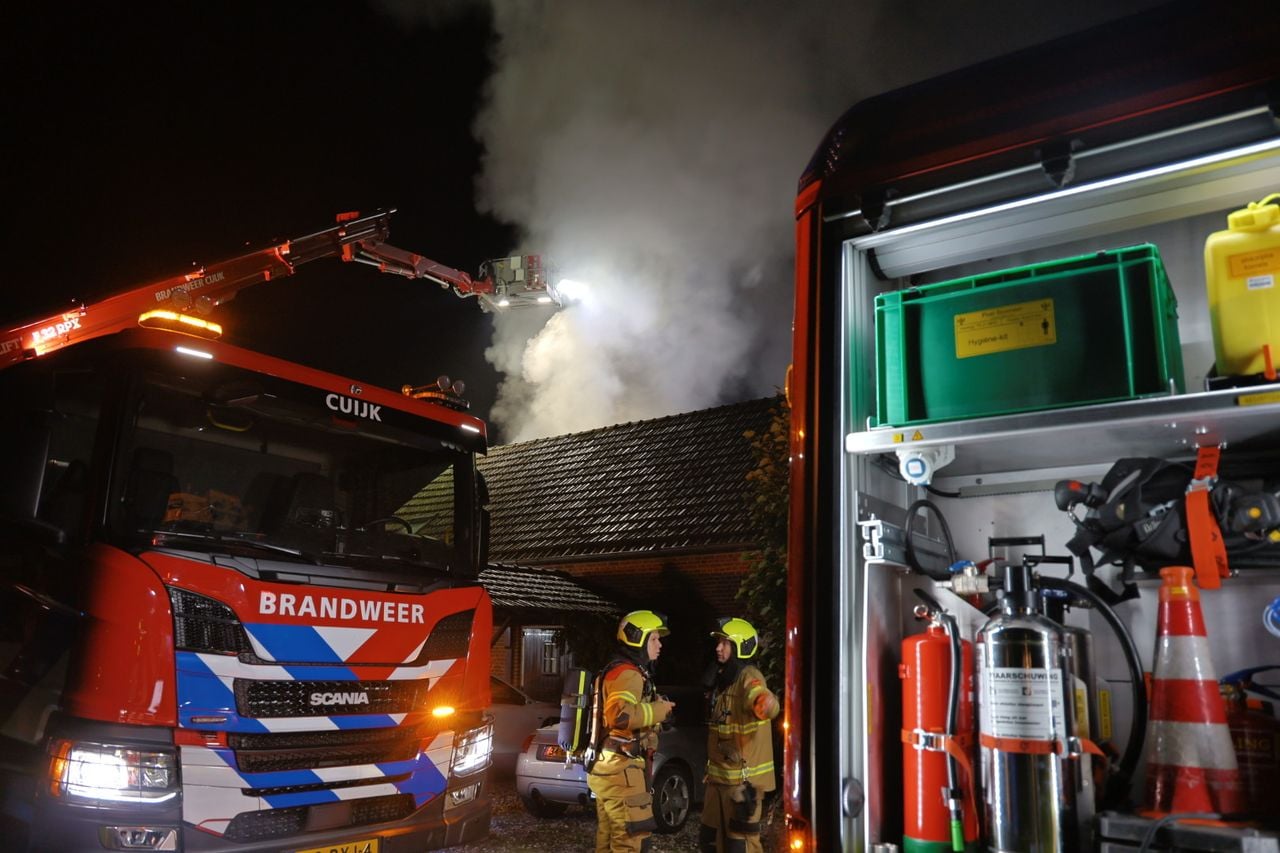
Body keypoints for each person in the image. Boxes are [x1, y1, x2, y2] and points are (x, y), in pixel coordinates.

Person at [589, 610, 676, 853]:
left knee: (608, 841)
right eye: (654, 639)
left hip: (608, 767)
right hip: (623, 772)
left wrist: (653, 709)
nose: (659, 645)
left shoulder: (615, 670)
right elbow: (620, 715)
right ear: (637, 638)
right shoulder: (629, 674)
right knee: (631, 841)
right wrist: (659, 710)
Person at [699, 617, 780, 853]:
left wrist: (765, 703)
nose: (718, 648)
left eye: (725, 643)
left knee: (741, 844)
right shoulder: (725, 679)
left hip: (742, 784)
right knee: (711, 842)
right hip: (719, 780)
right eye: (719, 643)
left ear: (740, 646)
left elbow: (759, 694)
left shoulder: (748, 676)